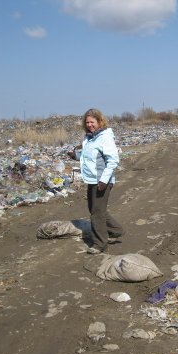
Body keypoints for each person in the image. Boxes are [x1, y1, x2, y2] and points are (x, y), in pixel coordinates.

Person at [67, 108, 124, 254]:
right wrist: (75, 156)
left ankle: (100, 244)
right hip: (91, 180)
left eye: (92, 122)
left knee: (96, 213)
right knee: (95, 209)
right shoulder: (89, 138)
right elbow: (88, 158)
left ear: (99, 121)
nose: (89, 125)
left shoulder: (105, 137)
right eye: (87, 122)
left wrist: (104, 180)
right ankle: (116, 230)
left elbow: (113, 160)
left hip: (102, 180)